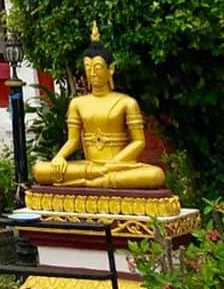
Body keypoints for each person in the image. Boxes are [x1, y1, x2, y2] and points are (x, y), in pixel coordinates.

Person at [32, 24, 166, 190]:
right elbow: (73, 140)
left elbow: (138, 142)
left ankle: (92, 183)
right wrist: (59, 157)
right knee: (40, 170)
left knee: (154, 175)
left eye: (97, 67)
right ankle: (100, 181)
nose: (92, 73)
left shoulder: (126, 102)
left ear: (111, 69)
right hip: (90, 166)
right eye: (88, 68)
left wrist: (111, 165)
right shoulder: (78, 103)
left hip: (118, 166)